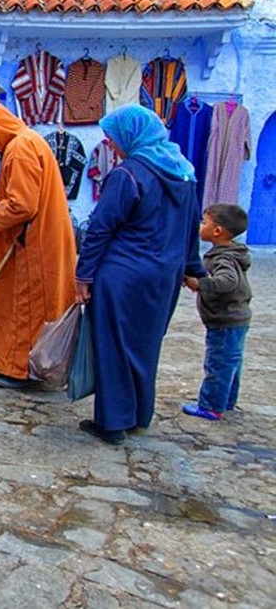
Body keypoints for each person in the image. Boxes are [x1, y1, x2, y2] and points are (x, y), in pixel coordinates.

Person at [74, 104, 204, 445]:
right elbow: (191, 226)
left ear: (130, 136)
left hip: (123, 274)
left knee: (113, 345)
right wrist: (193, 269)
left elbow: (100, 228)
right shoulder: (184, 173)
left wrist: (83, 276)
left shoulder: (128, 173)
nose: (112, 146)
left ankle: (113, 423)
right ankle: (138, 415)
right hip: (164, 277)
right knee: (146, 345)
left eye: (114, 139)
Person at [0, 88, 76, 390]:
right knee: (8, 304)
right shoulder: (25, 142)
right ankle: (2, 359)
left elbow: (22, 206)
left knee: (26, 307)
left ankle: (22, 369)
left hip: (32, 244)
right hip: (31, 239)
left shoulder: (20, 148)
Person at [181, 204, 252, 421]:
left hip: (226, 319)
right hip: (236, 318)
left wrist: (200, 284)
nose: (200, 226)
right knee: (231, 362)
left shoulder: (223, 258)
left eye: (204, 223)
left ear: (217, 231)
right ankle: (227, 400)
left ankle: (211, 405)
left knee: (219, 362)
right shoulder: (231, 253)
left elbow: (227, 281)